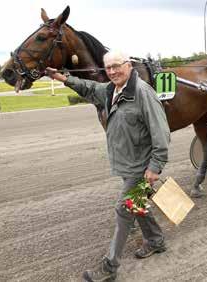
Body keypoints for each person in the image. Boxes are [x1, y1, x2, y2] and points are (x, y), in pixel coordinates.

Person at [46, 50, 170, 282]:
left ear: (129, 65)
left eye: (116, 66)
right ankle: (156, 240)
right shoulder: (113, 90)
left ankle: (109, 267)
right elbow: (90, 88)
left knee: (124, 209)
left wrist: (155, 166)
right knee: (137, 204)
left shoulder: (143, 93)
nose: (112, 71)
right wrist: (63, 78)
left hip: (142, 168)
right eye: (108, 68)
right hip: (128, 163)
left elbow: (161, 133)